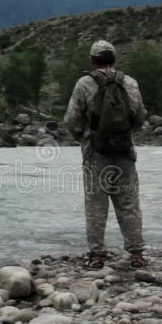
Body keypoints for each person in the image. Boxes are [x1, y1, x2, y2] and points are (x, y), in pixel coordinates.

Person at [64, 40, 147, 270]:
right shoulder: (130, 82)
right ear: (114, 59)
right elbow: (139, 117)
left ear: (93, 60)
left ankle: (97, 255)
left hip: (95, 154)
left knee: (95, 205)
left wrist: (84, 137)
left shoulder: (84, 84)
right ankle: (137, 254)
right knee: (129, 203)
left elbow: (71, 120)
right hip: (125, 152)